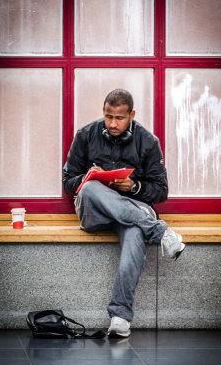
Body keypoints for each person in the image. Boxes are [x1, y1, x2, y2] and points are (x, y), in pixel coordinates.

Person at [63, 89, 185, 338]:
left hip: (131, 214)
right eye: (108, 117)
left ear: (132, 114)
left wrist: (134, 187)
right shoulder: (85, 135)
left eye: (119, 118)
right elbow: (67, 182)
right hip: (94, 211)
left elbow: (161, 192)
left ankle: (120, 317)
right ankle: (160, 231)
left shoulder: (148, 141)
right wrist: (89, 178)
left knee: (133, 236)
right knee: (90, 187)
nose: (112, 123)